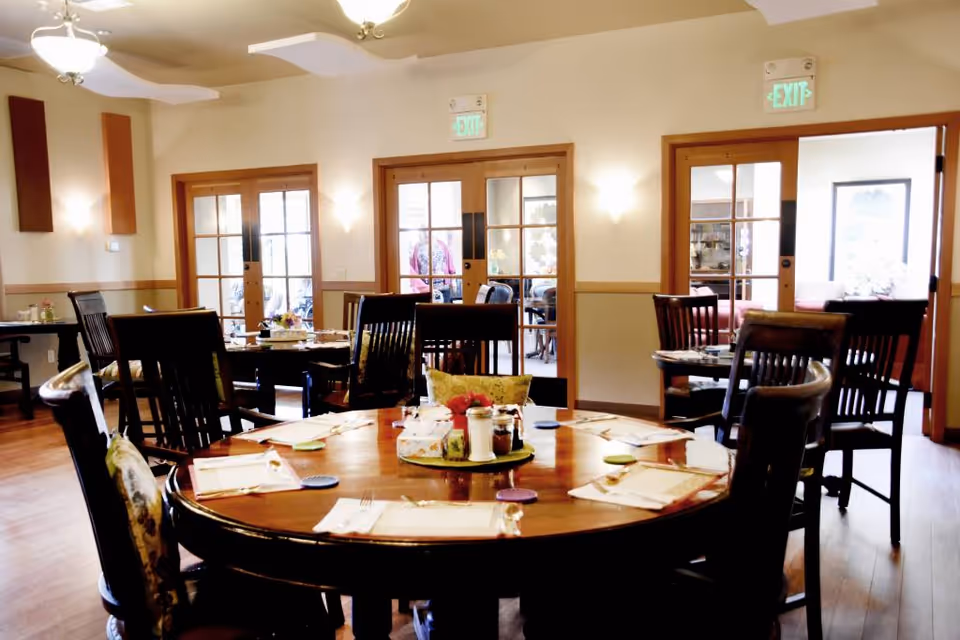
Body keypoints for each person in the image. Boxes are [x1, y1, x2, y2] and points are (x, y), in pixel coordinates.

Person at [409, 231, 457, 302]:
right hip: (425, 289)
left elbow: (450, 263)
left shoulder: (442, 245)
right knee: (427, 311)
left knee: (445, 311)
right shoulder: (417, 247)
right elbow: (413, 269)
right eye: (425, 231)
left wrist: (453, 281)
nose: (427, 234)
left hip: (443, 287)